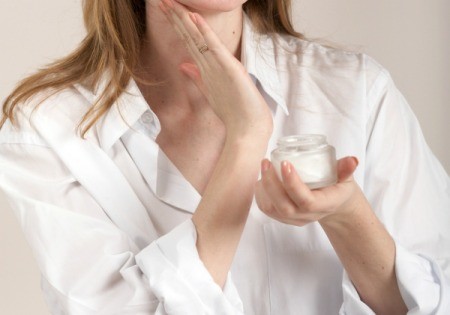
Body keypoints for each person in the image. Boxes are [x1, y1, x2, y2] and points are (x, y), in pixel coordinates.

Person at [0, 0, 449, 314]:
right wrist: (246, 138)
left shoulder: (358, 92)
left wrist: (348, 214)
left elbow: (434, 302)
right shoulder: (46, 129)